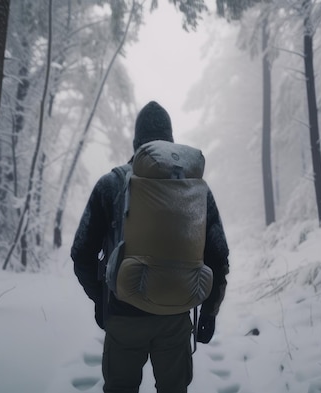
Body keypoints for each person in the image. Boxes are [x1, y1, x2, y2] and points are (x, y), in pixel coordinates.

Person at [71, 100, 230, 393]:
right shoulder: (196, 190)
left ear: (136, 143)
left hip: (123, 314)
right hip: (175, 319)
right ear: (170, 141)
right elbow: (218, 255)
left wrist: (101, 299)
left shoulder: (111, 185)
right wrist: (208, 312)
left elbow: (81, 252)